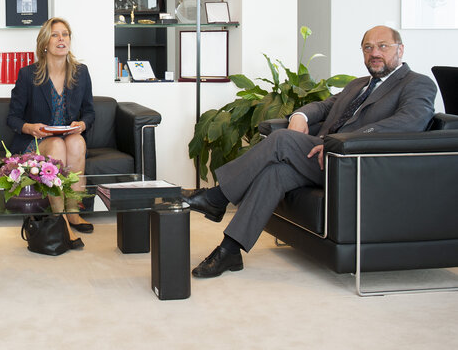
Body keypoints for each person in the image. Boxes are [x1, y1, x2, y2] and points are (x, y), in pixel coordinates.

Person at [184, 25, 437, 278]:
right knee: (276, 173)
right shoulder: (358, 84)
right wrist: (300, 115)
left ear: (400, 49)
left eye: (383, 46)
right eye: (368, 47)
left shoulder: (417, 83)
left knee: (281, 140)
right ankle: (230, 250)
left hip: (354, 162)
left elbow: (410, 122)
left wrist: (343, 140)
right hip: (319, 158)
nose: (374, 53)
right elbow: (325, 106)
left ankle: (216, 198)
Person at [7, 17, 95, 248]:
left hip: (68, 138)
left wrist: (82, 125)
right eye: (55, 34)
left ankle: (73, 211)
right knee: (56, 144)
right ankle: (60, 220)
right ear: (45, 43)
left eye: (65, 34)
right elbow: (12, 118)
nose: (61, 39)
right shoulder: (28, 75)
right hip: (36, 143)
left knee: (76, 142)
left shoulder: (81, 72)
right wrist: (30, 128)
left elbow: (90, 112)